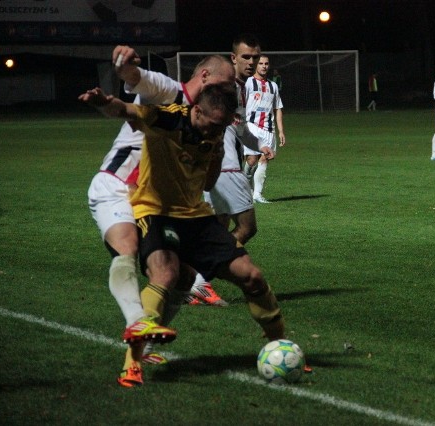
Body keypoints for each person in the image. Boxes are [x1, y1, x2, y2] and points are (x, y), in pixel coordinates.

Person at [79, 84, 286, 388]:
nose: (215, 130)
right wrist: (102, 102)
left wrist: (214, 151)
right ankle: (132, 364)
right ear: (197, 110)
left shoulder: (214, 131)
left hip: (196, 215)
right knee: (165, 273)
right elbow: (126, 110)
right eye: (213, 124)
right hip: (156, 211)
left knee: (251, 276)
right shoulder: (167, 118)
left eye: (223, 125)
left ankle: (281, 346)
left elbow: (209, 180)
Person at [87, 48, 235, 369]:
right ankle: (139, 322)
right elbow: (136, 79)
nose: (229, 90)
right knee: (127, 247)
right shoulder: (168, 91)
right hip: (118, 184)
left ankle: (144, 346)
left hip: (157, 201)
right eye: (226, 82)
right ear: (205, 76)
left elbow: (204, 181)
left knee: (180, 274)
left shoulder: (206, 118)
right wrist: (125, 65)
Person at [205, 34, 264, 243]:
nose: (251, 62)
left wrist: (259, 146)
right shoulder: (225, 85)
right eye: (246, 57)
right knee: (247, 227)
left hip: (212, 167)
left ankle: (199, 271)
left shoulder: (240, 86)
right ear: (233, 57)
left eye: (255, 57)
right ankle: (208, 265)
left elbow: (238, 126)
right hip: (224, 166)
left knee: (219, 228)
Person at [243, 54, 286, 204]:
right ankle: (246, 187)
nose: (264, 66)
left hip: (268, 129)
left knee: (264, 159)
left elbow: (278, 108)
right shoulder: (248, 83)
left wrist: (281, 131)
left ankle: (257, 195)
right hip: (252, 127)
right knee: (252, 160)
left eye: (266, 64)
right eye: (261, 63)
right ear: (256, 65)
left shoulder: (273, 86)